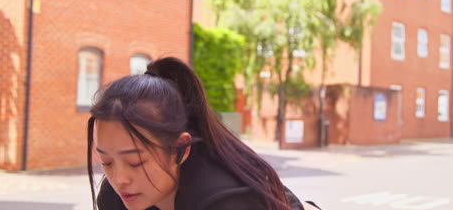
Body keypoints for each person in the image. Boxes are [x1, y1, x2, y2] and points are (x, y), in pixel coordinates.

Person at [87, 57, 320, 210]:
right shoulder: (114, 199)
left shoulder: (226, 201)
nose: (119, 179)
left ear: (181, 149)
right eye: (106, 161)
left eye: (135, 162)